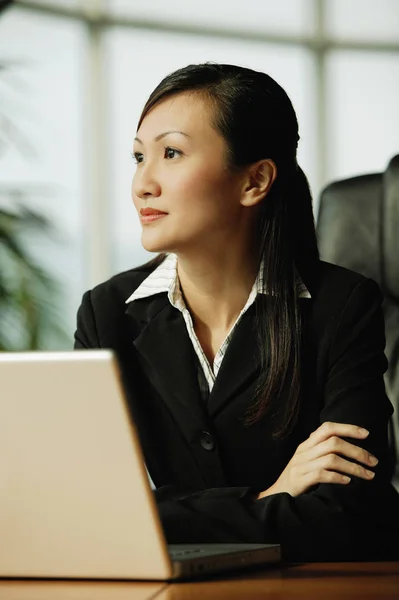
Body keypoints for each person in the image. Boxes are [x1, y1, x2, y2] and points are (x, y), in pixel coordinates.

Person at [74, 63, 399, 562]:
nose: (143, 182)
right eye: (139, 156)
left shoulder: (342, 305)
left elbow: (352, 512)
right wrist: (273, 494)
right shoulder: (108, 313)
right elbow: (87, 509)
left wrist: (165, 513)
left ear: (255, 181)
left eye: (172, 153)